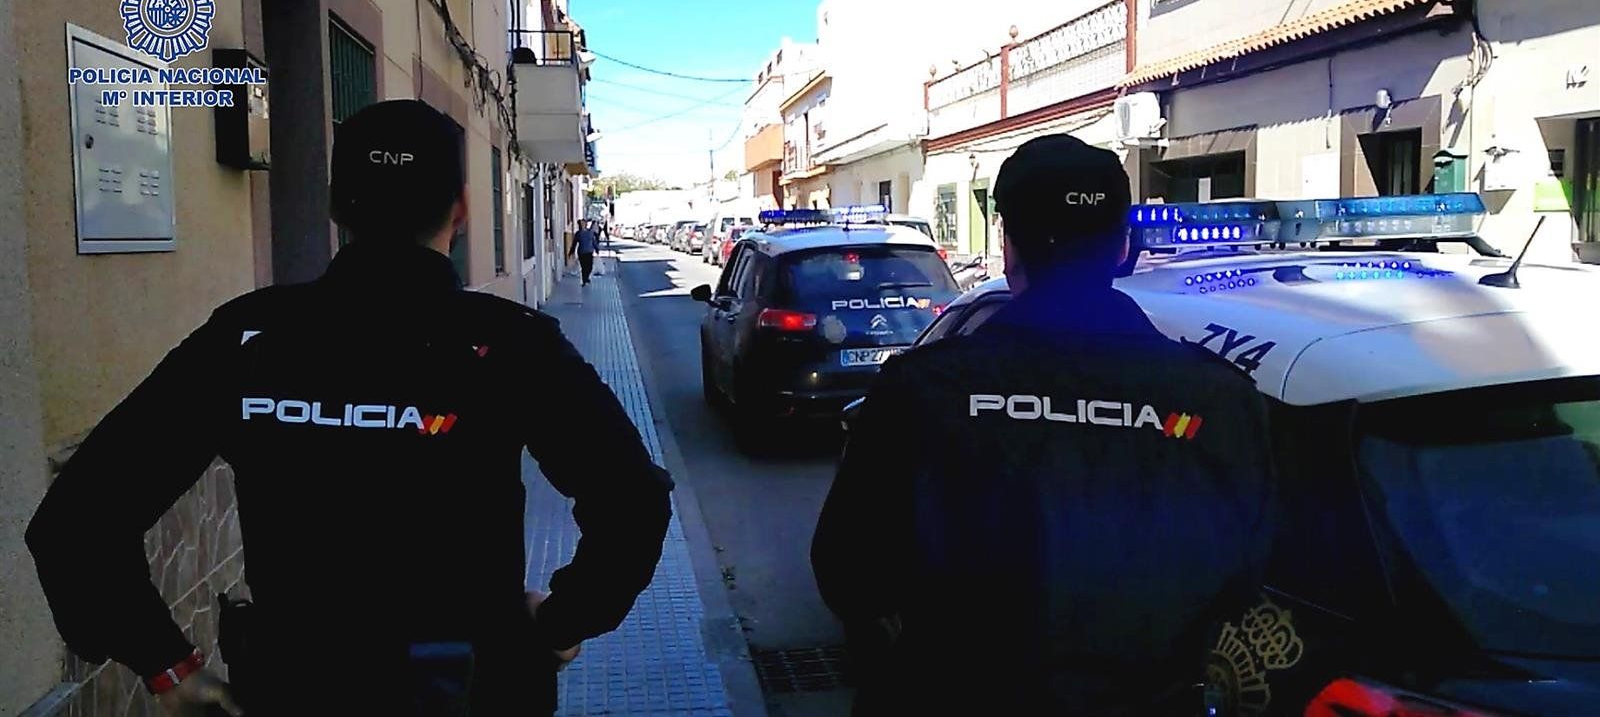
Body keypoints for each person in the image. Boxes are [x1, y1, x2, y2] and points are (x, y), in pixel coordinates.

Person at [26, 99, 674, 717]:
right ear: (464, 209)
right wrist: (566, 621)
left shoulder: (248, 336)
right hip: (478, 687)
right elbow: (634, 499)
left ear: (338, 206)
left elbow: (76, 520)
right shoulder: (510, 341)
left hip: (296, 690)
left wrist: (166, 665)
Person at [811, 134, 1275, 716]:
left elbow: (850, 579)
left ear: (1009, 250)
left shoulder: (920, 392)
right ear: (1123, 251)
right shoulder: (1222, 401)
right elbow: (1243, 584)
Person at [569, 218, 599, 285]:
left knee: (590, 266)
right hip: (581, 252)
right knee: (583, 267)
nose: (582, 225)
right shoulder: (578, 233)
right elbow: (574, 243)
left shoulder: (590, 232)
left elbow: (593, 242)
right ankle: (584, 280)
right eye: (581, 224)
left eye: (583, 223)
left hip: (589, 252)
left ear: (585, 224)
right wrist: (571, 252)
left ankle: (587, 277)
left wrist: (597, 249)